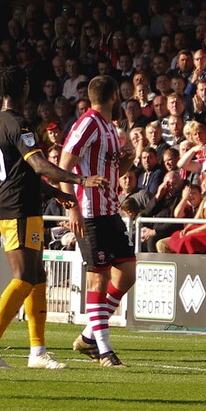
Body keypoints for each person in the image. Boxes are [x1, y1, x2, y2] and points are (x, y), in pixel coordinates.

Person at [0, 66, 107, 370]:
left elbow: (21, 171)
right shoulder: (19, 124)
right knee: (23, 277)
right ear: (23, 87)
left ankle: (38, 352)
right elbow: (39, 166)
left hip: (23, 203)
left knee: (37, 278)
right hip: (17, 207)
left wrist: (53, 192)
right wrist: (80, 180)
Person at [59, 75, 136, 368]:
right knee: (98, 278)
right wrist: (72, 208)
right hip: (89, 212)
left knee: (127, 273)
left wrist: (127, 160)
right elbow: (63, 167)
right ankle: (104, 351)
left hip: (110, 210)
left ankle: (89, 335)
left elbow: (114, 170)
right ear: (114, 96)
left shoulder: (110, 128)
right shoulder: (88, 124)